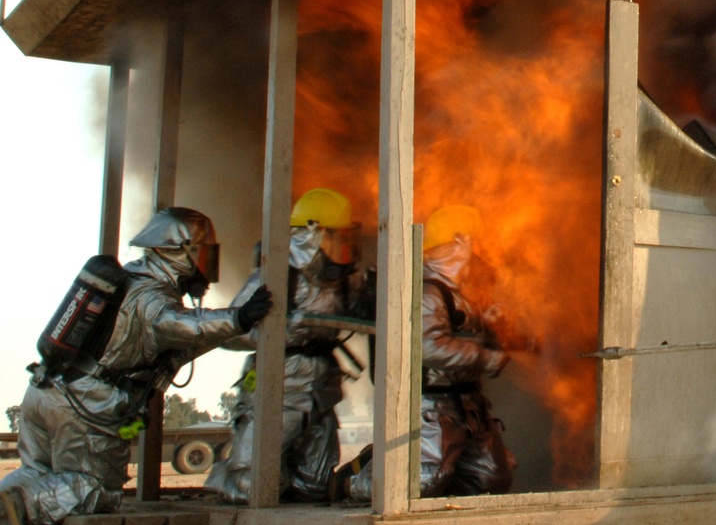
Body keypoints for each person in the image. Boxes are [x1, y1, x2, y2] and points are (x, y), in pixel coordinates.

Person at [0, 208, 271, 525]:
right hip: (85, 407)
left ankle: (8, 503)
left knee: (38, 473)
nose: (207, 264)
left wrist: (233, 327)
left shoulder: (128, 279)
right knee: (93, 488)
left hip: (45, 389)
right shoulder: (152, 296)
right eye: (204, 253)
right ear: (181, 251)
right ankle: (17, 508)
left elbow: (179, 344)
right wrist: (237, 317)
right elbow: (177, 325)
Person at [205, 188, 374, 504]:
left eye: (346, 238)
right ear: (313, 235)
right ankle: (228, 471)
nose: (344, 247)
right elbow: (229, 332)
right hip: (275, 388)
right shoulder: (277, 275)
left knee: (314, 488)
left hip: (320, 393)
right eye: (336, 238)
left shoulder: (347, 281)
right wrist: (279, 331)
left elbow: (369, 313)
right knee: (250, 484)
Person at [346, 204, 519, 501]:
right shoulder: (429, 292)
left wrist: (494, 333)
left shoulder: (460, 294)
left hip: (469, 405)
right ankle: (353, 478)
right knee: (423, 480)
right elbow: (428, 348)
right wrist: (484, 356)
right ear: (462, 241)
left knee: (491, 476)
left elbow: (472, 344)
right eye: (480, 241)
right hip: (433, 408)